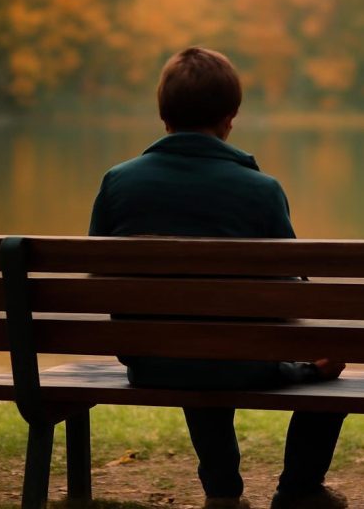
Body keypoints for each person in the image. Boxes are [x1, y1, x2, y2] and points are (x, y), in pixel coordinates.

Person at [88, 47, 348, 509]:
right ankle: (298, 489)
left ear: (163, 117)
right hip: (243, 363)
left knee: (190, 343)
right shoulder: (260, 190)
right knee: (326, 364)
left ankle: (223, 488)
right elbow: (292, 298)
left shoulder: (117, 182)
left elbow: (97, 277)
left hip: (150, 361)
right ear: (230, 119)